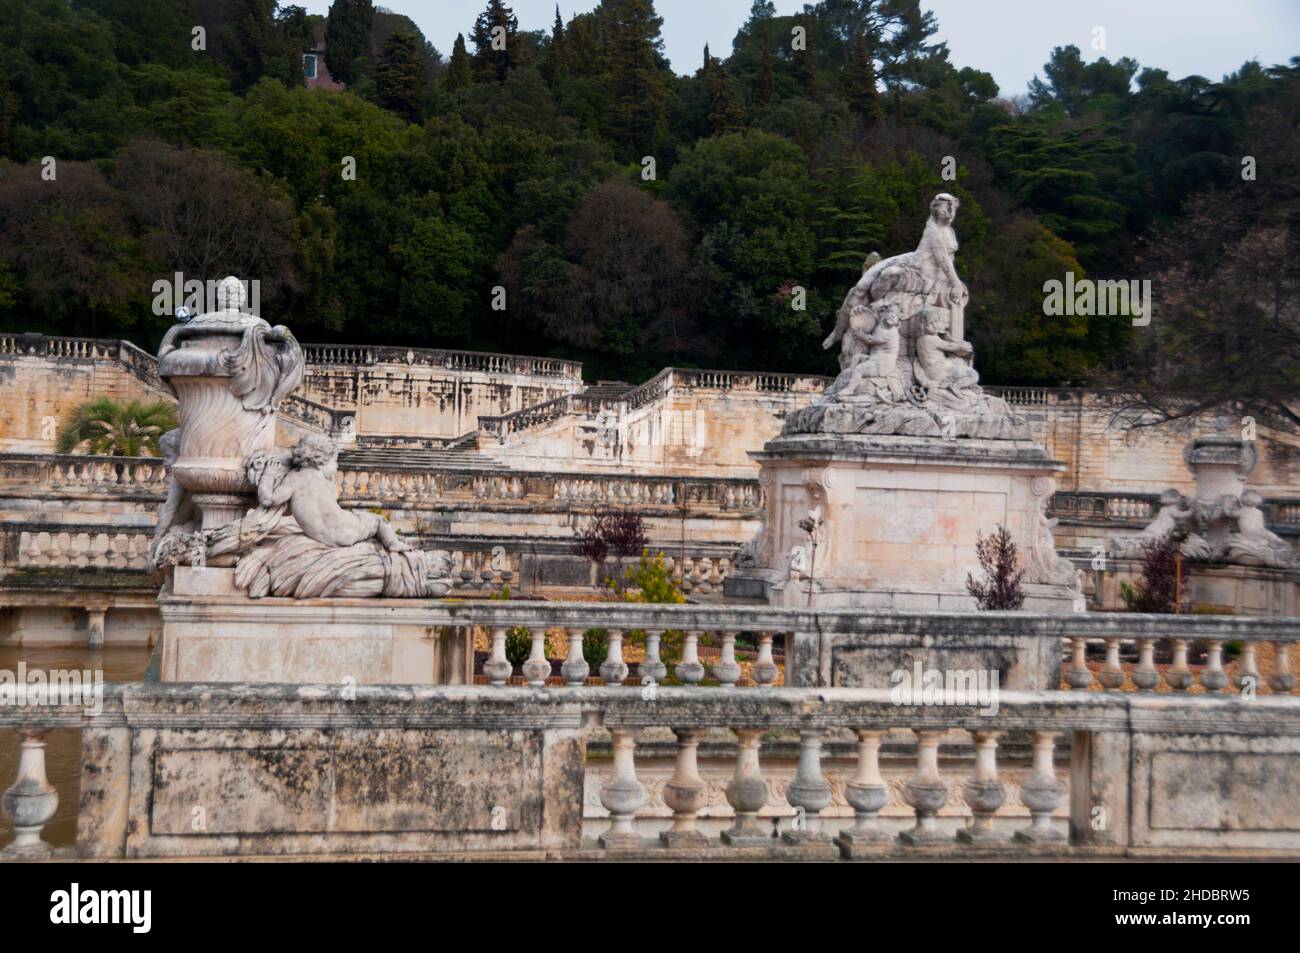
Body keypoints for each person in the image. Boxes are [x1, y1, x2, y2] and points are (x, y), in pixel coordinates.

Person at [255, 434, 409, 551]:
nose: (336, 467)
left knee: (356, 516)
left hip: (324, 537)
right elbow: (332, 499)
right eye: (334, 461)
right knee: (377, 520)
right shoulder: (326, 482)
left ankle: (390, 539)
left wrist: (268, 473)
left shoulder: (293, 479)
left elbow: (267, 500)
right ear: (321, 461)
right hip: (346, 532)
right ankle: (392, 543)